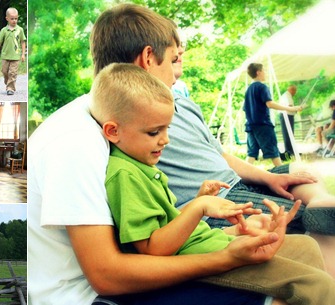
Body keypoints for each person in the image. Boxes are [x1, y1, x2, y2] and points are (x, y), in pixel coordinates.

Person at [29, 4, 308, 305]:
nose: (178, 74)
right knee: (294, 288)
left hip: (129, 273)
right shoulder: (76, 141)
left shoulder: (115, 122)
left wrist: (228, 234)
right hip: (86, 296)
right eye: (173, 60)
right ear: (148, 58)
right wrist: (226, 257)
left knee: (304, 254)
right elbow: (106, 275)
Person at [91, 62, 335, 305]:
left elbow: (166, 223)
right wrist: (200, 207)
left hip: (213, 241)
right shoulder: (125, 175)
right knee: (314, 284)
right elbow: (151, 248)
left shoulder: (142, 164)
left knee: (306, 246)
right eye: (154, 132)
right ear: (113, 131)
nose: (165, 140)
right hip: (201, 263)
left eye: (167, 129)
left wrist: (205, 205)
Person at [159, 45, 335, 277]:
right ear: (148, 56)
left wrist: (270, 177)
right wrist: (291, 108)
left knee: (299, 169)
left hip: (237, 176)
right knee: (311, 226)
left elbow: (221, 154)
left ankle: (320, 200)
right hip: (221, 198)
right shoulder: (139, 116)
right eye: (174, 56)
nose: (180, 61)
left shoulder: (184, 103)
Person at [243, 63, 303, 166]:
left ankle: (241, 178)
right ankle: (283, 177)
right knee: (273, 152)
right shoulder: (262, 87)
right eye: (264, 70)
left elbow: (245, 108)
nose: (265, 73)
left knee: (251, 154)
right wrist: (290, 108)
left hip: (251, 127)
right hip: (263, 126)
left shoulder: (248, 90)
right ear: (258, 72)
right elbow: (269, 104)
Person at [0, 7, 26, 96]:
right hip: (5, 55)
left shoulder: (19, 30)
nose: (14, 20)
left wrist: (23, 54)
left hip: (15, 56)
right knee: (5, 71)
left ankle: (10, 88)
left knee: (12, 73)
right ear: (7, 19)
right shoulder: (4, 30)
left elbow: (22, 42)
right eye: (12, 19)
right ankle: (8, 82)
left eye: (16, 18)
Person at [278, 85, 298, 158]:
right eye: (295, 91)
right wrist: (296, 108)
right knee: (287, 133)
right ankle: (289, 151)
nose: (295, 93)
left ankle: (291, 150)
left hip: (288, 116)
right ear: (292, 90)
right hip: (286, 116)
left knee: (290, 133)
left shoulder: (287, 95)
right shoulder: (286, 96)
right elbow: (289, 106)